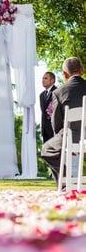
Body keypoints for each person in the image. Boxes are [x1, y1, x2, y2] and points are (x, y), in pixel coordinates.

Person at [42, 57, 86, 185]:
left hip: (71, 135)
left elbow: (56, 123)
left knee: (47, 150)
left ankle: (65, 182)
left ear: (65, 74)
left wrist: (62, 140)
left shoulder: (58, 92)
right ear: (82, 71)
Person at [40, 72, 57, 142]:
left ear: (52, 80)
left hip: (54, 129)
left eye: (45, 78)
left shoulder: (57, 92)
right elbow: (43, 112)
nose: (43, 80)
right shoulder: (41, 95)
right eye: (43, 78)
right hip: (44, 129)